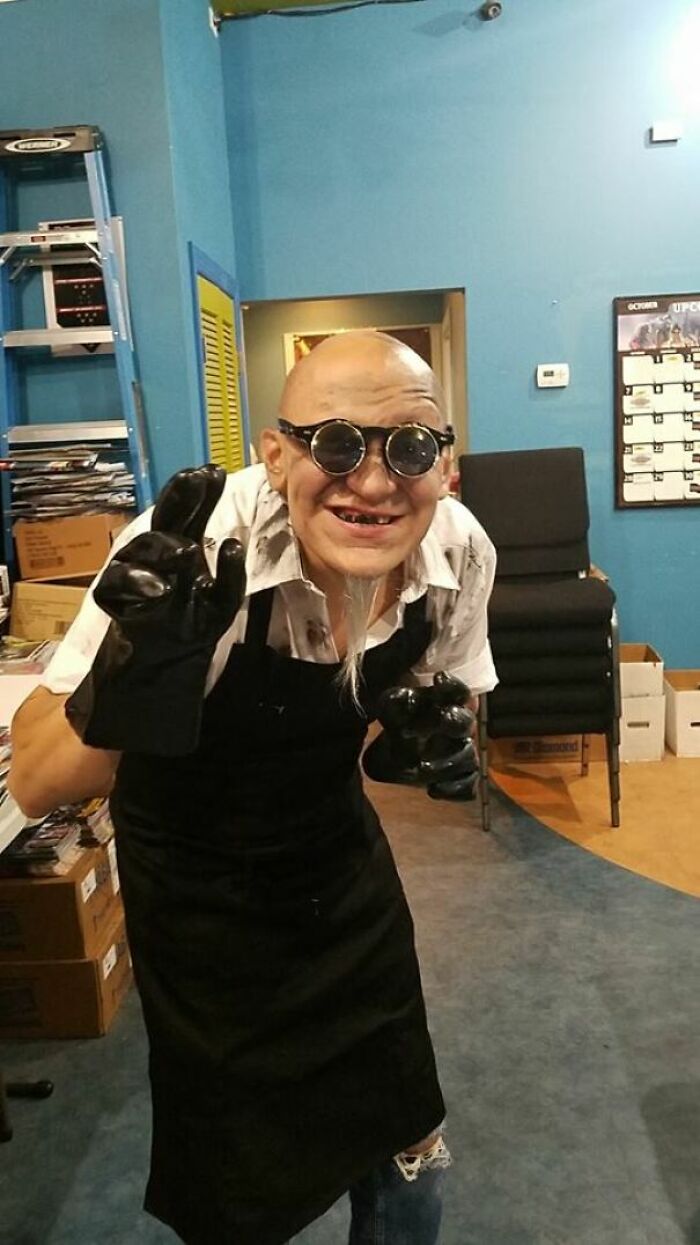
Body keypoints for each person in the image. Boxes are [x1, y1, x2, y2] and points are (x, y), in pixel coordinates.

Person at [9, 330, 497, 1245]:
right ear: (276, 454)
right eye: (337, 444)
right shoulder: (197, 551)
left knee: (407, 1141)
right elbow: (35, 782)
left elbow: (437, 694)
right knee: (236, 1183)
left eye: (411, 446)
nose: (376, 482)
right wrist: (133, 673)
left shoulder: (455, 553)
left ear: (445, 460)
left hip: (339, 875)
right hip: (201, 903)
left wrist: (418, 737)